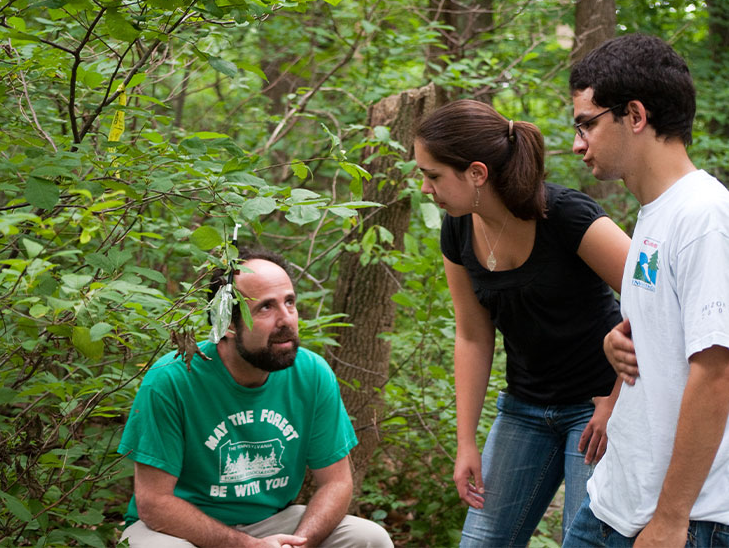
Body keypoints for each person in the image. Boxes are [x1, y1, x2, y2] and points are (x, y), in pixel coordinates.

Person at [414, 99, 631, 546]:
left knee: (582, 539)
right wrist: (466, 442)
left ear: (476, 173)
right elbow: (472, 336)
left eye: (432, 175)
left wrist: (617, 403)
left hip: (596, 407)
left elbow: (657, 304)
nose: (424, 188)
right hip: (523, 409)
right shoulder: (457, 228)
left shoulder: (568, 216)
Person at [563, 33, 729, 547]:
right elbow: (661, 339)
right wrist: (619, 352)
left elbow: (717, 368)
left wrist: (672, 519)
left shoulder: (706, 217)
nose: (577, 143)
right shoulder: (655, 215)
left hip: (682, 517)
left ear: (635, 115)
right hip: (614, 498)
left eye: (586, 124)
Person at [117, 246, 393, 548]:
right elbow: (154, 503)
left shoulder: (312, 373)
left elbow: (337, 483)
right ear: (228, 324)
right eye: (266, 308)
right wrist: (247, 547)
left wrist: (299, 543)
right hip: (179, 528)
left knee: (368, 538)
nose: (286, 319)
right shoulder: (172, 378)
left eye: (290, 302)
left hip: (271, 523)